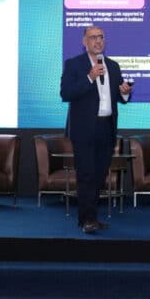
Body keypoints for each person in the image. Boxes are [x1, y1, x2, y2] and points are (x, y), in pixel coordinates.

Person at [60, 25, 132, 233]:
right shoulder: (74, 64)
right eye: (93, 37)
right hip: (83, 129)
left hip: (106, 128)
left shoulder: (113, 66)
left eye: (101, 37)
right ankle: (86, 220)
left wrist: (125, 92)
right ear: (84, 42)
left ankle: (91, 217)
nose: (98, 41)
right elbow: (66, 93)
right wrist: (90, 77)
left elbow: (119, 97)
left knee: (99, 176)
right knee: (86, 175)